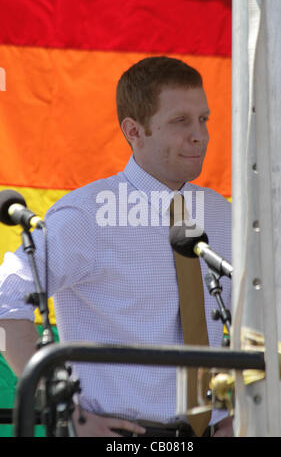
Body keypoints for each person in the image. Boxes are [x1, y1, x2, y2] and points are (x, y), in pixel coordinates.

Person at [0, 56, 232, 437]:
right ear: (134, 131)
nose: (200, 135)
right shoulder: (85, 215)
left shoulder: (221, 215)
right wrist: (68, 412)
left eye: (203, 119)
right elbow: (5, 302)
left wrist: (238, 416)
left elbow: (260, 318)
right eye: (180, 121)